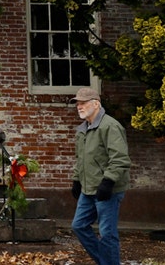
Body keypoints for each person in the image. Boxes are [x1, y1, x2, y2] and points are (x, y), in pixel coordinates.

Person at [70, 87, 131, 265]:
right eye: (77, 104)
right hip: (88, 189)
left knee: (107, 233)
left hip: (108, 189)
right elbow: (80, 159)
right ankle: (106, 262)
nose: (79, 107)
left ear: (96, 104)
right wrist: (76, 179)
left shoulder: (110, 126)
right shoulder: (82, 129)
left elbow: (120, 158)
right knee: (78, 226)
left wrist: (108, 181)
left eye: (83, 103)